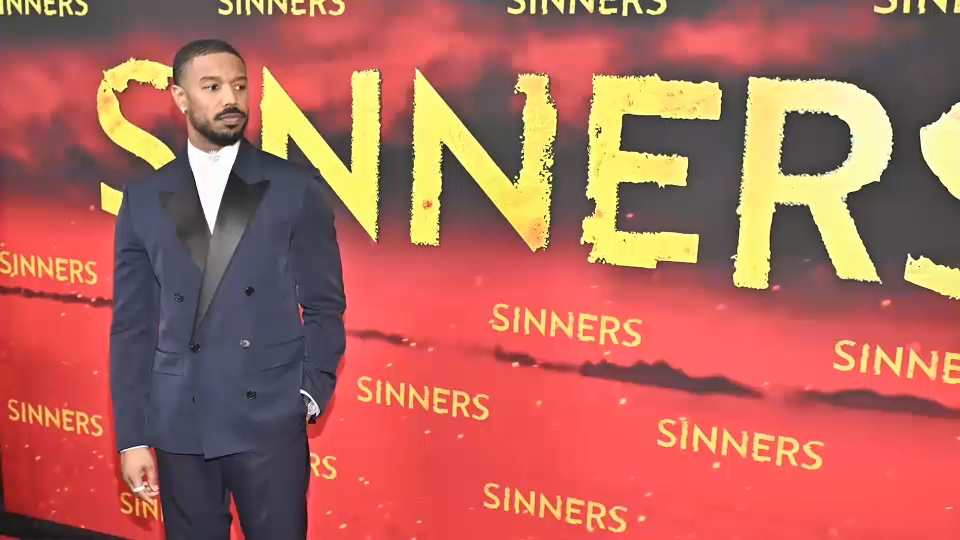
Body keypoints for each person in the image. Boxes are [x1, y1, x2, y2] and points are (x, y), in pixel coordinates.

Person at [109, 38, 346, 540]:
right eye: (212, 87)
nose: (230, 99)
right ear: (180, 97)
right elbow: (132, 326)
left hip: (268, 419)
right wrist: (132, 436)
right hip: (181, 421)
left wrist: (308, 391)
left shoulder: (294, 187)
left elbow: (325, 303)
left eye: (239, 86)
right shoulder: (145, 198)